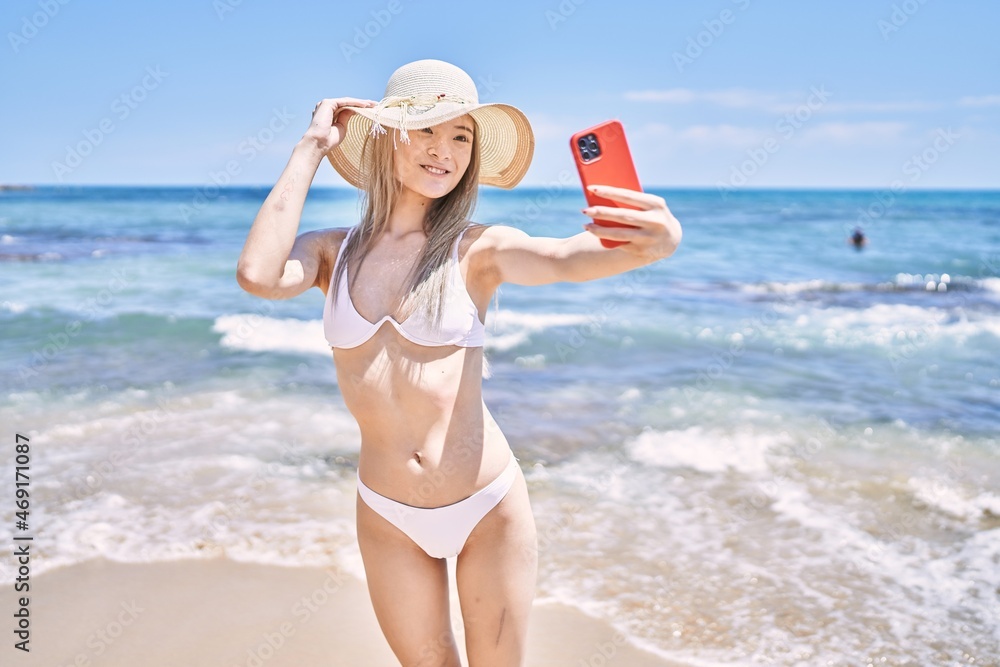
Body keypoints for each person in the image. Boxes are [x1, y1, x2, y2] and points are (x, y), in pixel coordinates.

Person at [236, 59, 682, 666]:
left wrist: (649, 246)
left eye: (461, 136)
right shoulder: (330, 253)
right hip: (388, 515)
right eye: (427, 129)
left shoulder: (480, 249)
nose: (444, 150)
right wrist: (311, 149)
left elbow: (564, 259)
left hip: (485, 508)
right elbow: (258, 274)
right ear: (387, 136)